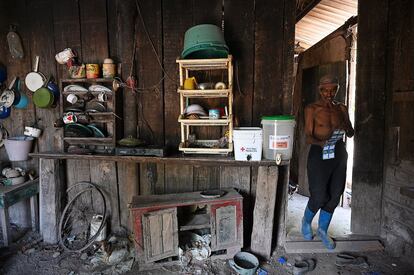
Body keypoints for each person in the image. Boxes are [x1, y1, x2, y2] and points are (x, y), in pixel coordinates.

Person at [301, 75, 354, 250]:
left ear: (337, 89)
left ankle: (323, 230)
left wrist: (346, 128)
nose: (329, 93)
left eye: (333, 90)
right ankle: (306, 222)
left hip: (339, 153)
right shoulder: (312, 109)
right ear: (320, 90)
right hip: (319, 152)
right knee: (319, 195)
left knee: (335, 194)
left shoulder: (342, 109)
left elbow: (351, 132)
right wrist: (322, 143)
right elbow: (308, 137)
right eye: (325, 90)